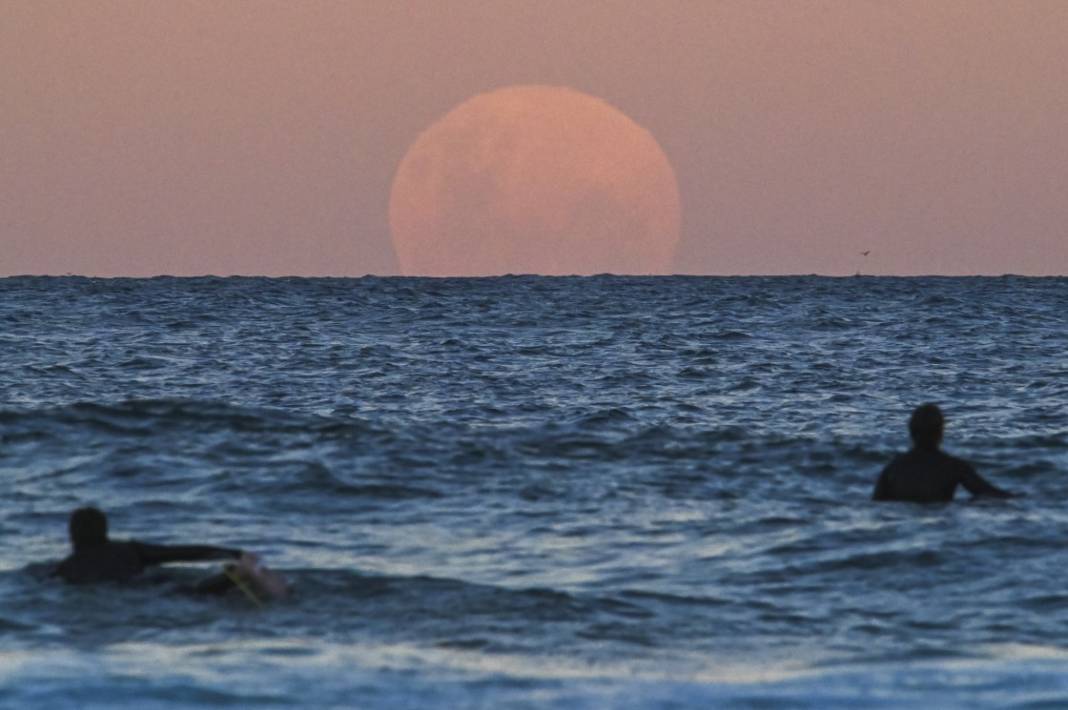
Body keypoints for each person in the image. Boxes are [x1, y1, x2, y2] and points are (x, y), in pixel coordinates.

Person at [55, 506, 244, 584]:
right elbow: (182, 553)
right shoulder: (130, 550)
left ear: (72, 534)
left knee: (183, 594)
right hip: (147, 585)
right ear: (105, 530)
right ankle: (230, 577)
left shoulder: (66, 568)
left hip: (126, 595)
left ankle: (225, 581)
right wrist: (234, 553)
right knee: (182, 590)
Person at [872, 404, 1014, 503]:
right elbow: (987, 493)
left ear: (911, 432)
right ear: (940, 432)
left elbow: (877, 504)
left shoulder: (893, 468)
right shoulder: (953, 466)